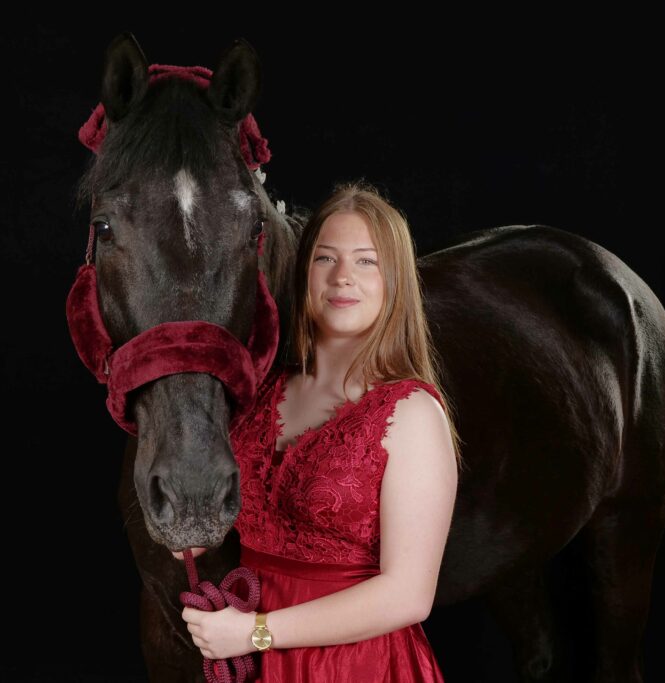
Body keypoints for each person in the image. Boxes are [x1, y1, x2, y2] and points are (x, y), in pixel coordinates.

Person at [179, 180, 462, 682]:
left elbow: (408, 595)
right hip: (254, 662)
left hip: (354, 666)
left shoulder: (412, 413)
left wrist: (254, 633)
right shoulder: (264, 393)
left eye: (366, 261)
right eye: (325, 259)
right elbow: (209, 524)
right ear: (304, 274)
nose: (342, 278)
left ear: (395, 281)